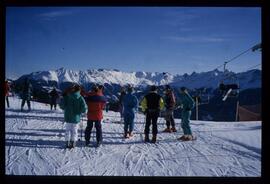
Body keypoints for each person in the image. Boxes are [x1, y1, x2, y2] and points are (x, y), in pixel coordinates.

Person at [60, 84, 87, 149]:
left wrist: (63, 99)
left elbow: (62, 106)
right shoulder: (80, 97)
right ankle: (73, 143)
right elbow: (84, 109)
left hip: (68, 117)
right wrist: (81, 111)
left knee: (67, 130)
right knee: (74, 131)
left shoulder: (66, 96)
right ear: (79, 90)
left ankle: (67, 142)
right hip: (76, 117)